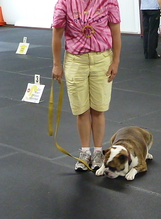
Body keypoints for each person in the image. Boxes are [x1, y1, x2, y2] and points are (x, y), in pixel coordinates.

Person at [51, 0, 121, 171]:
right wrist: (57, 64)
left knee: (98, 109)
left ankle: (98, 152)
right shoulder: (64, 3)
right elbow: (57, 35)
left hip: (102, 60)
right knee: (81, 110)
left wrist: (116, 61)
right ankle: (84, 152)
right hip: (76, 61)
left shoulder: (109, 1)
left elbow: (115, 33)